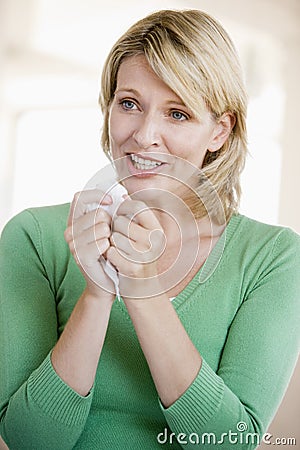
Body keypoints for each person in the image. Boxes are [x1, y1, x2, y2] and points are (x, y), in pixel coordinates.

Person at [0, 9, 299, 450]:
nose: (144, 135)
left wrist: (142, 288)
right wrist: (98, 294)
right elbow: (29, 440)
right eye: (129, 104)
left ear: (219, 131)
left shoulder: (273, 257)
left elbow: (230, 442)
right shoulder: (33, 238)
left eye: (177, 113)